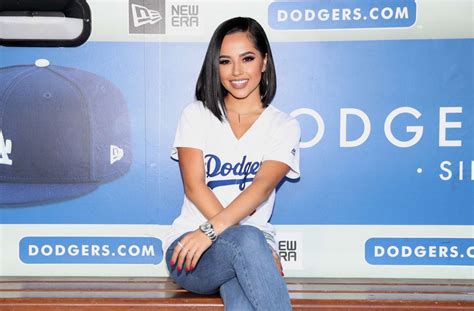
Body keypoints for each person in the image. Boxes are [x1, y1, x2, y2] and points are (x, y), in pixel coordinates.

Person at [163, 16, 300, 311]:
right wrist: (217, 233)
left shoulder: (283, 125)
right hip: (192, 248)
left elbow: (261, 187)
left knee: (242, 299)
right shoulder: (196, 114)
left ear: (264, 62)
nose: (236, 71)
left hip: (243, 247)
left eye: (247, 58)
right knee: (248, 240)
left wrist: (234, 237)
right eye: (225, 61)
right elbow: (194, 186)